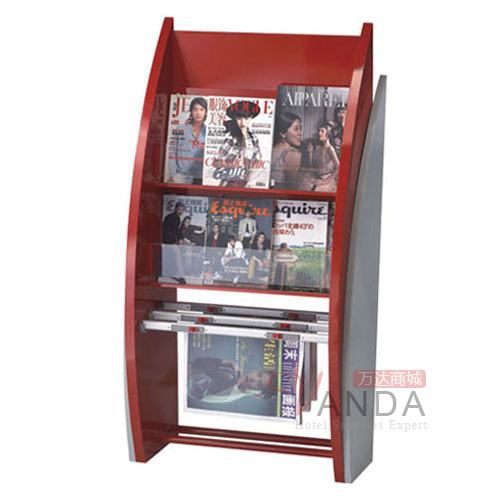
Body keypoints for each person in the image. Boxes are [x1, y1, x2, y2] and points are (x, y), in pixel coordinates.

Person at [213, 101, 262, 187]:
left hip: (247, 182)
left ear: (251, 117)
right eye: (239, 118)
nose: (243, 122)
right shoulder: (232, 139)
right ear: (235, 118)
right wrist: (231, 163)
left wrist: (251, 176)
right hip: (230, 183)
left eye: (246, 118)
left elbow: (258, 159)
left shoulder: (253, 138)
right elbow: (216, 162)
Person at [188, 357, 277, 403]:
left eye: (258, 384)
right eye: (258, 374)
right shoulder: (235, 384)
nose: (253, 378)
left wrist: (225, 363)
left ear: (257, 396)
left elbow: (196, 363)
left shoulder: (231, 383)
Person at [169, 97, 207, 184]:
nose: (198, 113)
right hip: (180, 175)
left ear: (206, 112)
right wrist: (172, 174)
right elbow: (172, 151)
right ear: (191, 111)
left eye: (201, 109)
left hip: (200, 177)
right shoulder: (181, 128)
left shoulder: (208, 131)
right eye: (195, 109)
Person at [271, 112, 303, 190]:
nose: (300, 133)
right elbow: (291, 190)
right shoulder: (293, 154)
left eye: (300, 129)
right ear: (283, 134)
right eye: (296, 129)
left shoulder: (271, 149)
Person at [312, 122, 340, 192]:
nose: (319, 133)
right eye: (319, 131)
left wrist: (325, 182)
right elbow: (313, 164)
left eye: (322, 131)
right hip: (317, 177)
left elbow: (338, 168)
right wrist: (310, 153)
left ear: (328, 134)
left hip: (327, 179)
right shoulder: (318, 148)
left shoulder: (330, 149)